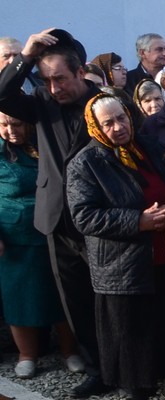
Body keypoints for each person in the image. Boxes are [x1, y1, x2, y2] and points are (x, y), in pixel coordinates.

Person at [67, 93, 165, 400]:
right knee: (130, 335)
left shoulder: (150, 148)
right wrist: (137, 221)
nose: (118, 128)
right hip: (122, 264)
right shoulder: (86, 163)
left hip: (164, 257)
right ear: (95, 126)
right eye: (108, 123)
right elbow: (84, 216)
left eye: (121, 118)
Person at [0, 29, 107, 396]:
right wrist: (25, 56)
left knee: (106, 298)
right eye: (46, 79)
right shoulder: (41, 102)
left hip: (99, 218)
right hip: (57, 219)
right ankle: (95, 368)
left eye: (60, 78)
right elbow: (1, 94)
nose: (54, 86)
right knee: (74, 299)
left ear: (80, 73)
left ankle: (125, 367)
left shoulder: (104, 104)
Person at [0, 112, 78, 378]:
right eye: (4, 125)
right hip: (14, 239)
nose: (11, 130)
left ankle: (71, 352)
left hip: (52, 231)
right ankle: (27, 355)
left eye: (16, 124)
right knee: (19, 297)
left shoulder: (44, 145)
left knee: (59, 293)